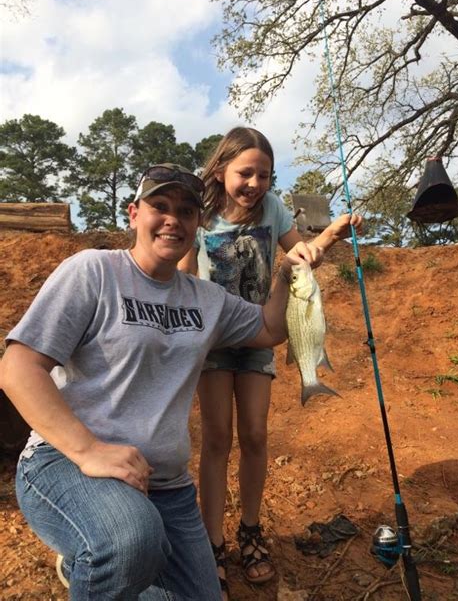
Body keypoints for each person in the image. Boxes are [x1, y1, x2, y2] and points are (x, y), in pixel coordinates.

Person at [0, 163, 313, 601]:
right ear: (133, 214)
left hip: (166, 484)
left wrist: (284, 274)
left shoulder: (206, 299)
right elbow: (18, 367)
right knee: (130, 540)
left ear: (197, 225)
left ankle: (90, 564)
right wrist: (88, 450)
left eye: (186, 211)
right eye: (159, 206)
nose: (173, 219)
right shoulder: (93, 272)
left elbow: (269, 329)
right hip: (65, 465)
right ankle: (102, 554)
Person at [178, 128, 362, 597]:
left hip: (258, 335)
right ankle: (213, 542)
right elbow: (181, 274)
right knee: (217, 438)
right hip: (214, 342)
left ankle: (251, 530)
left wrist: (330, 235)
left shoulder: (274, 208)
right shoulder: (199, 216)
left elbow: (301, 258)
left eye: (263, 174)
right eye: (245, 173)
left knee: (256, 435)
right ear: (221, 169)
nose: (254, 183)